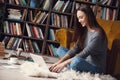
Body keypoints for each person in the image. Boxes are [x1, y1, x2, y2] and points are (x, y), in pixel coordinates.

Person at [49, 5, 108, 74]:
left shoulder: (98, 35)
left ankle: (71, 66)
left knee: (75, 62)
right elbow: (75, 49)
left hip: (95, 67)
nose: (79, 21)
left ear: (88, 16)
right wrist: (58, 63)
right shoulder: (85, 30)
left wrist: (63, 63)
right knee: (60, 50)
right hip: (83, 60)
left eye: (81, 17)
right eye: (78, 18)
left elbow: (83, 54)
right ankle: (71, 66)